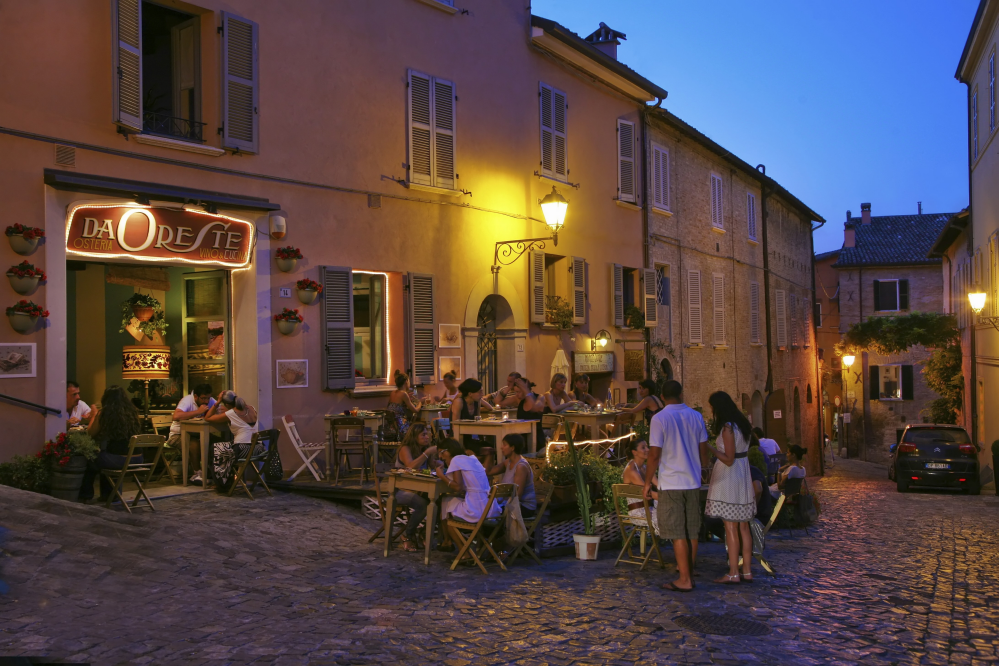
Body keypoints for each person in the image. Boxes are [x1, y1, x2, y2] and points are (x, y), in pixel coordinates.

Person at [645, 380, 709, 593]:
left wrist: (647, 482)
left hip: (671, 482)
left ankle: (684, 579)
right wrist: (703, 470)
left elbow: (654, 455)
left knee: (677, 532)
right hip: (692, 481)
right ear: (682, 394)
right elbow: (703, 450)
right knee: (691, 530)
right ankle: (689, 573)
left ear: (662, 396)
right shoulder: (696, 416)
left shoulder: (659, 418)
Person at [704, 391, 756, 585]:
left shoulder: (728, 428)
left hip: (730, 476)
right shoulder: (742, 425)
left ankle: (734, 572)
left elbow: (728, 458)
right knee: (744, 526)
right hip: (743, 474)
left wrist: (710, 449)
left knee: (731, 527)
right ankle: (747, 570)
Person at [435, 437, 501, 549]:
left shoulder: (456, 460)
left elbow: (458, 487)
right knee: (448, 501)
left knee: (447, 508)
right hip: (491, 509)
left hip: (477, 511)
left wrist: (441, 475)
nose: (440, 457)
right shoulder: (472, 459)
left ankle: (463, 551)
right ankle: (447, 542)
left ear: (448, 450)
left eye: (441, 453)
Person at [80, 386, 144, 502]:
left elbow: (90, 433)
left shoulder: (105, 413)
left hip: (118, 460)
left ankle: (85, 495)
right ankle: (111, 495)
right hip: (137, 459)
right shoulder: (133, 412)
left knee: (90, 458)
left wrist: (95, 415)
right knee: (106, 455)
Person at [204, 390, 259, 491]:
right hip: (258, 448)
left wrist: (217, 402)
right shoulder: (251, 408)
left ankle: (223, 484)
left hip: (243, 450)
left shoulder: (231, 414)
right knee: (223, 446)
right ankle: (229, 479)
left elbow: (207, 417)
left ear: (227, 404)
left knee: (215, 448)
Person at [393, 423, 437, 552]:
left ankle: (424, 532)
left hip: (420, 489)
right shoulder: (405, 449)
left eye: (427, 434)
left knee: (439, 502)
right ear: (414, 436)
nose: (427, 437)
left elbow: (433, 466)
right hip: (401, 490)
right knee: (423, 505)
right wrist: (428, 453)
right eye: (423, 434)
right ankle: (408, 534)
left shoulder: (424, 449)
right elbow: (410, 467)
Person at [169, 383, 216, 483]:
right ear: (195, 396)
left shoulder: (210, 401)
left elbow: (220, 409)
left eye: (208, 398)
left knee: (216, 442)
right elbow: (176, 416)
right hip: (177, 435)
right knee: (194, 443)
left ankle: (214, 471)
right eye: (203, 398)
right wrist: (198, 412)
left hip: (200, 434)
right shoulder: (187, 400)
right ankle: (197, 474)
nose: (206, 401)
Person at [487, 434, 537, 518]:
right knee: (484, 508)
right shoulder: (508, 462)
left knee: (488, 511)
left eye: (504, 445)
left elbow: (516, 496)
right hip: (509, 504)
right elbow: (489, 472)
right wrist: (490, 454)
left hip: (524, 507)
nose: (501, 447)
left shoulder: (521, 467)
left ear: (512, 448)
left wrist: (497, 505)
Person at [622, 438, 658, 535]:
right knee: (672, 514)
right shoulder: (632, 470)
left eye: (647, 446)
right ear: (634, 452)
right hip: (639, 512)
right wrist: (668, 498)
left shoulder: (645, 467)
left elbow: (658, 485)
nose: (647, 449)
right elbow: (648, 493)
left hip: (649, 507)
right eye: (643, 447)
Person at [513, 377, 547, 451]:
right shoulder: (520, 399)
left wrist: (526, 390)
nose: (517, 395)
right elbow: (499, 401)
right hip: (521, 438)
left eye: (518, 392)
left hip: (536, 438)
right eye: (515, 392)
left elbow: (534, 408)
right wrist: (509, 386)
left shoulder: (540, 397)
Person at [387, 372, 423, 437]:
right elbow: (415, 410)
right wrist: (420, 402)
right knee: (420, 429)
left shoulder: (393, 393)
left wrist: (407, 399)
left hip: (391, 427)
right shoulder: (404, 394)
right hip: (400, 427)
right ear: (406, 381)